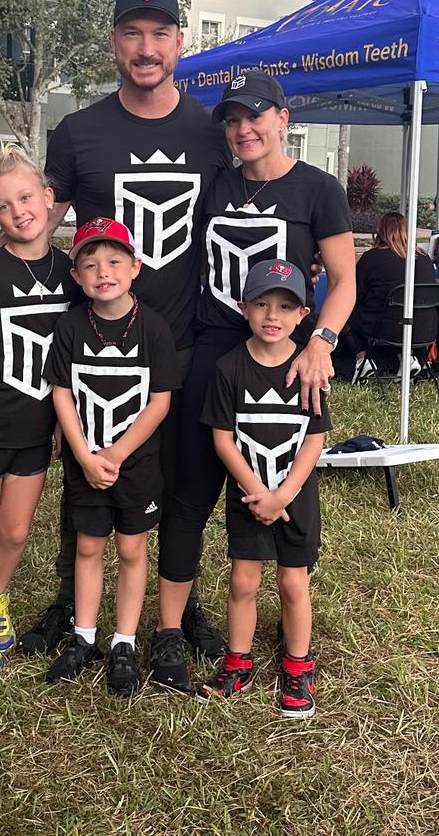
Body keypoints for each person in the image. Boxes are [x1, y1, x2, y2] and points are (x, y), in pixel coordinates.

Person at [0, 0, 231, 662]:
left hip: (176, 340)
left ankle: (178, 610)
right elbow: (32, 223)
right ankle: (69, 606)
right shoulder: (79, 133)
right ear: (114, 43)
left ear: (179, 43)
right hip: (89, 345)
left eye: (159, 34)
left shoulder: (209, 131)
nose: (146, 48)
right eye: (132, 33)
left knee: (175, 483)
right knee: (83, 477)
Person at [151, 72, 355, 693]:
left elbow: (343, 280)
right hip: (214, 351)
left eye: (256, 116)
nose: (244, 129)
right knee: (190, 493)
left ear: (284, 119)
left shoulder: (318, 189)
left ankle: (290, 636)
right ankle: (170, 629)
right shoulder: (215, 184)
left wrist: (321, 342)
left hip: (288, 360)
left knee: (283, 485)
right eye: (234, 120)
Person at [0, 146, 76, 670]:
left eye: (25, 198)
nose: (18, 212)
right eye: (3, 206)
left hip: (38, 428)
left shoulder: (71, 271)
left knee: (17, 529)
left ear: (47, 198)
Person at [43, 217, 176, 696]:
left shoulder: (154, 328)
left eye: (115, 261)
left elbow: (159, 401)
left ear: (135, 267)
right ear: (76, 276)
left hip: (134, 465)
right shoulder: (70, 326)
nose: (104, 272)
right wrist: (83, 454)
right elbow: (61, 392)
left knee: (131, 549)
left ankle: (124, 642)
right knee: (88, 546)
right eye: (91, 264)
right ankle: (83, 637)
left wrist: (116, 454)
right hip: (85, 463)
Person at [196, 260, 330, 718]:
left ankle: (298, 666)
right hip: (248, 494)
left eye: (286, 306)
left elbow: (314, 440)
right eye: (262, 304)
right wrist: (257, 493)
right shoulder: (229, 367)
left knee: (294, 582)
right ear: (243, 308)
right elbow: (222, 439)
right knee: (243, 581)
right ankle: (238, 664)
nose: (272, 315)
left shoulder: (309, 368)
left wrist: (283, 495)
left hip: (296, 497)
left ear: (303, 314)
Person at [347, 211, 438, 382]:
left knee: (345, 311)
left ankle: (362, 359)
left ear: (381, 231)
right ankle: (408, 358)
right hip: (425, 330)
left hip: (383, 328)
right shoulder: (424, 259)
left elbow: (354, 295)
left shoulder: (371, 258)